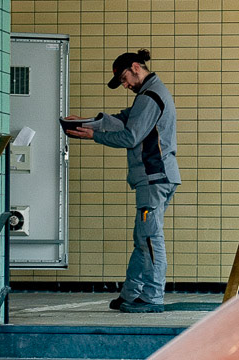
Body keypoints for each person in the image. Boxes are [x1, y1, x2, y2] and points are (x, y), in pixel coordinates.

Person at [64, 49, 181, 313]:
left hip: (154, 176)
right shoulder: (146, 95)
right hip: (153, 177)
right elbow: (123, 119)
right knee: (142, 237)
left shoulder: (151, 96)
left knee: (150, 238)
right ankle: (131, 294)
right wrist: (89, 123)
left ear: (136, 67)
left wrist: (94, 137)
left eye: (125, 79)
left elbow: (130, 136)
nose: (125, 85)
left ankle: (152, 298)